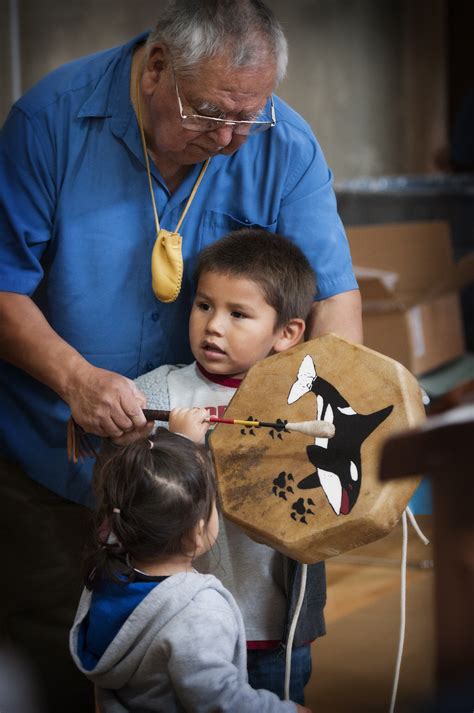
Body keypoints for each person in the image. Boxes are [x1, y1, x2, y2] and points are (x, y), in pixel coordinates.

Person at [0, 1, 361, 710]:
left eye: (247, 116)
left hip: (225, 493)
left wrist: (328, 421)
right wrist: (74, 378)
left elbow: (334, 304)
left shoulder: (281, 142)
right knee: (62, 661)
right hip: (56, 457)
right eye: (210, 113)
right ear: (156, 69)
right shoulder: (49, 122)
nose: (230, 138)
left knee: (236, 652)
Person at [112, 228, 323, 705]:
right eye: (204, 305)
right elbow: (133, 499)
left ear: (286, 333)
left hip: (272, 625)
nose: (213, 326)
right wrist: (173, 447)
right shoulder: (157, 394)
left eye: (238, 314)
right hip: (178, 619)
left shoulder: (305, 405)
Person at [70, 428, 310, 712]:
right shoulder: (198, 611)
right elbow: (220, 700)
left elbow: (141, 493)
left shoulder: (105, 576)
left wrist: (183, 444)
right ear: (199, 531)